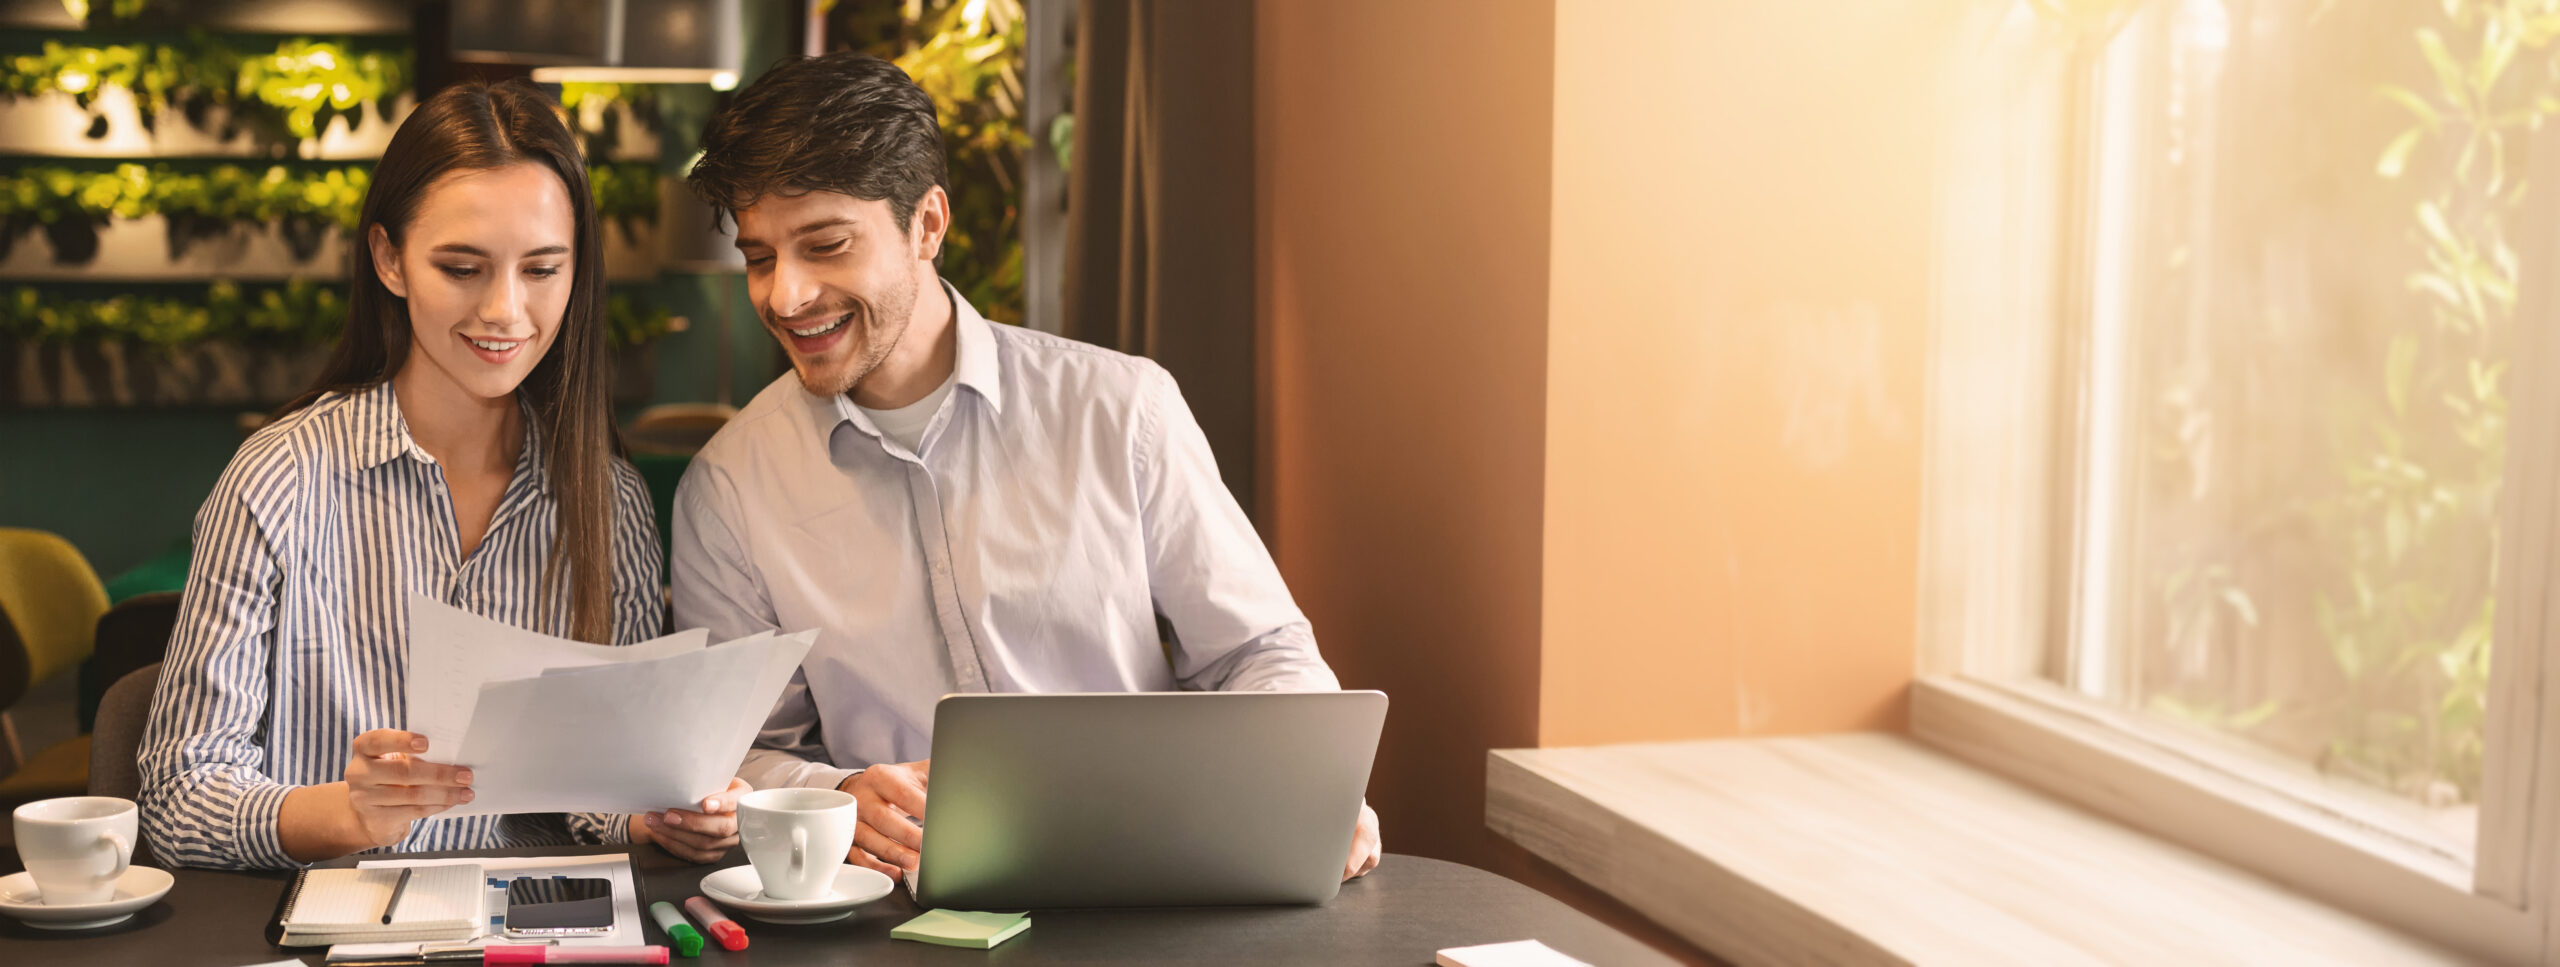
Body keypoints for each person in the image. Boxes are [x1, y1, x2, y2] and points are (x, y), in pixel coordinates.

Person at [672, 52, 1382, 883]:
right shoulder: (727, 487)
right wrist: (835, 791)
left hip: (1152, 886)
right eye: (760, 257)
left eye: (825, 245)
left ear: (927, 224)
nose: (786, 295)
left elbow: (1258, 651)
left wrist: (1308, 786)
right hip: (898, 918)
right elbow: (736, 753)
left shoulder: (1123, 411)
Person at [137, 81, 743, 870]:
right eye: (463, 267)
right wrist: (345, 812)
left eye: (542, 269)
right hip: (338, 922)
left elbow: (604, 791)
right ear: (389, 259)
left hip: (538, 925)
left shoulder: (608, 498)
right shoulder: (280, 479)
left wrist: (659, 815)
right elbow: (178, 797)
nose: (505, 310)